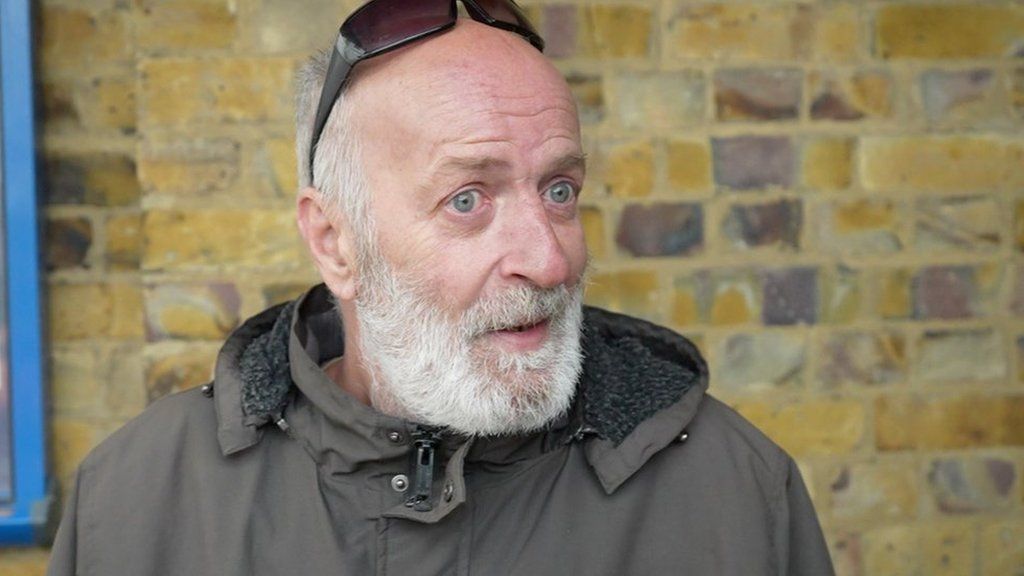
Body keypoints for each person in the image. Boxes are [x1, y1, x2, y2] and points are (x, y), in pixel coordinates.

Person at [48, 1, 835, 574]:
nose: (550, 262)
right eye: (469, 199)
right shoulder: (138, 503)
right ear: (335, 242)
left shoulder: (733, 494)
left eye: (559, 190)